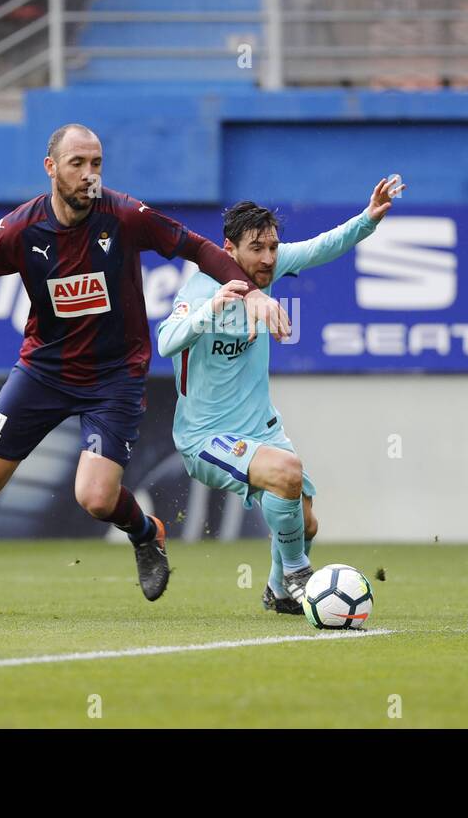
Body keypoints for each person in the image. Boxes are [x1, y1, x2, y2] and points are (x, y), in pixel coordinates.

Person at [0, 123, 291, 615]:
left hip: (114, 377)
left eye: (96, 163)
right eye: (77, 163)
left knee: (96, 498)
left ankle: (146, 533)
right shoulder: (19, 229)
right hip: (43, 371)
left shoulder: (124, 215)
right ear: (51, 167)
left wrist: (249, 293)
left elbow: (197, 248)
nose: (88, 174)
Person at [157, 176, 403, 612]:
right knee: (287, 474)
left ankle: (278, 591)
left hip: (261, 426)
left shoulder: (264, 270)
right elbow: (166, 341)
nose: (269, 257)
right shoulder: (199, 289)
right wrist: (209, 311)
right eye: (258, 248)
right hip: (205, 435)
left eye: (273, 247)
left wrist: (368, 219)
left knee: (306, 522)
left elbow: (319, 247)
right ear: (228, 249)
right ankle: (298, 576)